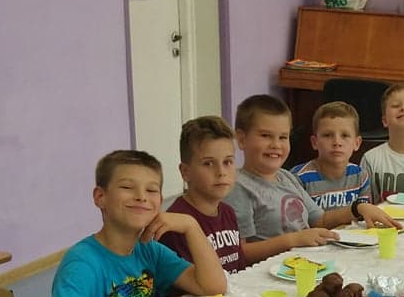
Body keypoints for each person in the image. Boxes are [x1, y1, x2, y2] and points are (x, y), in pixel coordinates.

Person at [46, 149, 228, 297]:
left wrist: (191, 226)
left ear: (160, 201)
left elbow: (213, 287)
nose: (141, 197)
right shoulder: (82, 261)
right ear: (100, 197)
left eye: (151, 190)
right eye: (127, 187)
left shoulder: (150, 250)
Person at [228, 94, 379, 264]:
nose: (276, 145)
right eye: (265, 135)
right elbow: (238, 253)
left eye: (283, 137)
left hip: (305, 265)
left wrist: (357, 209)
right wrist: (293, 240)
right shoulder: (237, 186)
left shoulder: (287, 177)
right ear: (241, 139)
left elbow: (320, 220)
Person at [162, 115, 247, 274]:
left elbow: (241, 271)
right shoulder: (177, 224)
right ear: (185, 172)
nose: (221, 172)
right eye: (208, 163)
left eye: (227, 162)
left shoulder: (228, 213)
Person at [294, 101, 378, 213]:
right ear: (314, 142)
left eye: (345, 135)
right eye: (327, 135)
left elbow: (363, 216)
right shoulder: (298, 179)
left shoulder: (360, 176)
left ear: (357, 143)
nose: (337, 142)